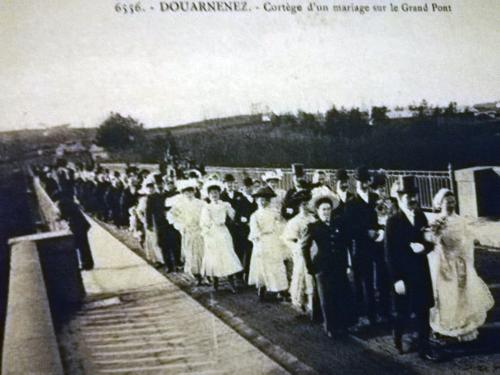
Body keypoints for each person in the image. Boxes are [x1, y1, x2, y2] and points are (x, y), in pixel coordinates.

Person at [385, 176, 440, 361]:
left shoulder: (420, 216)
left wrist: (425, 247)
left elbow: (430, 241)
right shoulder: (393, 221)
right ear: (400, 198)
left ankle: (424, 348)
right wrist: (396, 279)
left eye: (413, 195)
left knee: (423, 310)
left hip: (421, 272)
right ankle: (398, 336)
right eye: (407, 196)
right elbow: (389, 253)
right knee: (403, 312)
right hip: (403, 275)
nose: (412, 199)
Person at [429, 189, 494, 341]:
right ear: (440, 203)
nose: (451, 204)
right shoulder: (436, 221)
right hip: (443, 263)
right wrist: (436, 236)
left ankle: (463, 326)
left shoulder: (461, 220)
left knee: (462, 294)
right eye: (447, 202)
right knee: (446, 295)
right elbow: (432, 244)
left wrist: (467, 261)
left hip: (460, 262)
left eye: (452, 201)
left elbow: (468, 241)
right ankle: (444, 326)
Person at [301, 195, 355, 337]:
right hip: (322, 267)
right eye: (323, 209)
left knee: (340, 295)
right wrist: (309, 266)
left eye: (328, 209)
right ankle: (330, 327)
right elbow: (304, 247)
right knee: (326, 298)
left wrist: (347, 264)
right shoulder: (312, 227)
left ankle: (343, 324)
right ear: (318, 211)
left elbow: (344, 245)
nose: (326, 212)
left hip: (338, 265)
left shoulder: (338, 225)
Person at [345, 167, 379, 326]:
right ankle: (361, 314)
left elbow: (383, 218)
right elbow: (349, 227)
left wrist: (379, 231)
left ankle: (376, 313)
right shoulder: (351, 203)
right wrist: (366, 232)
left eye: (365, 181)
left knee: (378, 279)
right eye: (359, 182)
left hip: (377, 244)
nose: (362, 185)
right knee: (361, 281)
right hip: (360, 246)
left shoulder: (376, 198)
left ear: (369, 182)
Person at [199, 180, 243, 292]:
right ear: (208, 195)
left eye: (216, 193)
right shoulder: (207, 207)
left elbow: (234, 215)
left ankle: (232, 283)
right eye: (212, 193)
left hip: (224, 231)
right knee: (214, 257)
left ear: (219, 193)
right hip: (212, 233)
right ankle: (216, 282)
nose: (214, 195)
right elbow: (204, 222)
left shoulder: (225, 204)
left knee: (227, 255)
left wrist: (237, 216)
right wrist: (207, 233)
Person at [248, 186, 289, 301]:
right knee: (263, 265)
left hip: (274, 240)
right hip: (262, 241)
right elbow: (254, 231)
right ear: (256, 200)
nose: (263, 201)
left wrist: (280, 237)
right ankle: (262, 288)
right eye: (260, 199)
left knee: (276, 265)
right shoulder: (254, 215)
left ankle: (279, 289)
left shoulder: (274, 213)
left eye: (265, 199)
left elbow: (281, 225)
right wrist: (258, 242)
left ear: (269, 200)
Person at [282, 190, 316, 314]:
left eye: (307, 203)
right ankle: (304, 303)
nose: (306, 206)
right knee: (303, 275)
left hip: (314, 251)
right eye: (303, 204)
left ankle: (314, 303)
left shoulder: (313, 218)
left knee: (313, 277)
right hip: (302, 253)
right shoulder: (294, 221)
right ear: (298, 206)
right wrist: (298, 247)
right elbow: (287, 239)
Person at [169, 180, 205, 284]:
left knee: (201, 253)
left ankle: (204, 274)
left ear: (194, 192)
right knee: (190, 254)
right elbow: (172, 216)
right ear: (183, 193)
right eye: (186, 192)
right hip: (188, 232)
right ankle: (195, 275)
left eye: (191, 192)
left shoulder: (200, 203)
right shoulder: (180, 204)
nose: (189, 194)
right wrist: (180, 226)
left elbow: (206, 215)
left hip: (200, 231)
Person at [53, 192, 95, 270]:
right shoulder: (67, 201)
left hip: (78, 226)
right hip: (81, 225)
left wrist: (58, 218)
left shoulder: (61, 203)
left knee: (81, 245)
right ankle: (88, 264)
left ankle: (86, 264)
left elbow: (64, 214)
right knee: (84, 245)